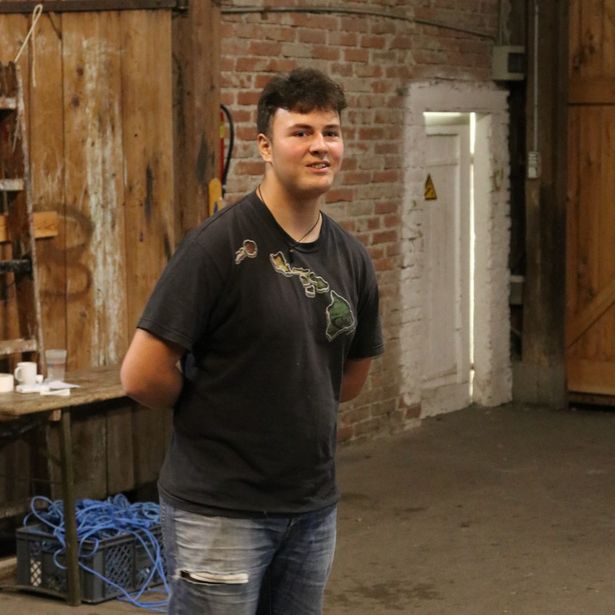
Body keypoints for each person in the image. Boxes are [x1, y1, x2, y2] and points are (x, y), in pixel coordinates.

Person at [120, 67, 384, 615]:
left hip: (311, 508)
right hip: (220, 512)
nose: (320, 146)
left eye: (330, 132)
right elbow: (142, 375)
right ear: (265, 146)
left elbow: (349, 378)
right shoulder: (218, 247)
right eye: (301, 132)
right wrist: (212, 404)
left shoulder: (351, 258)